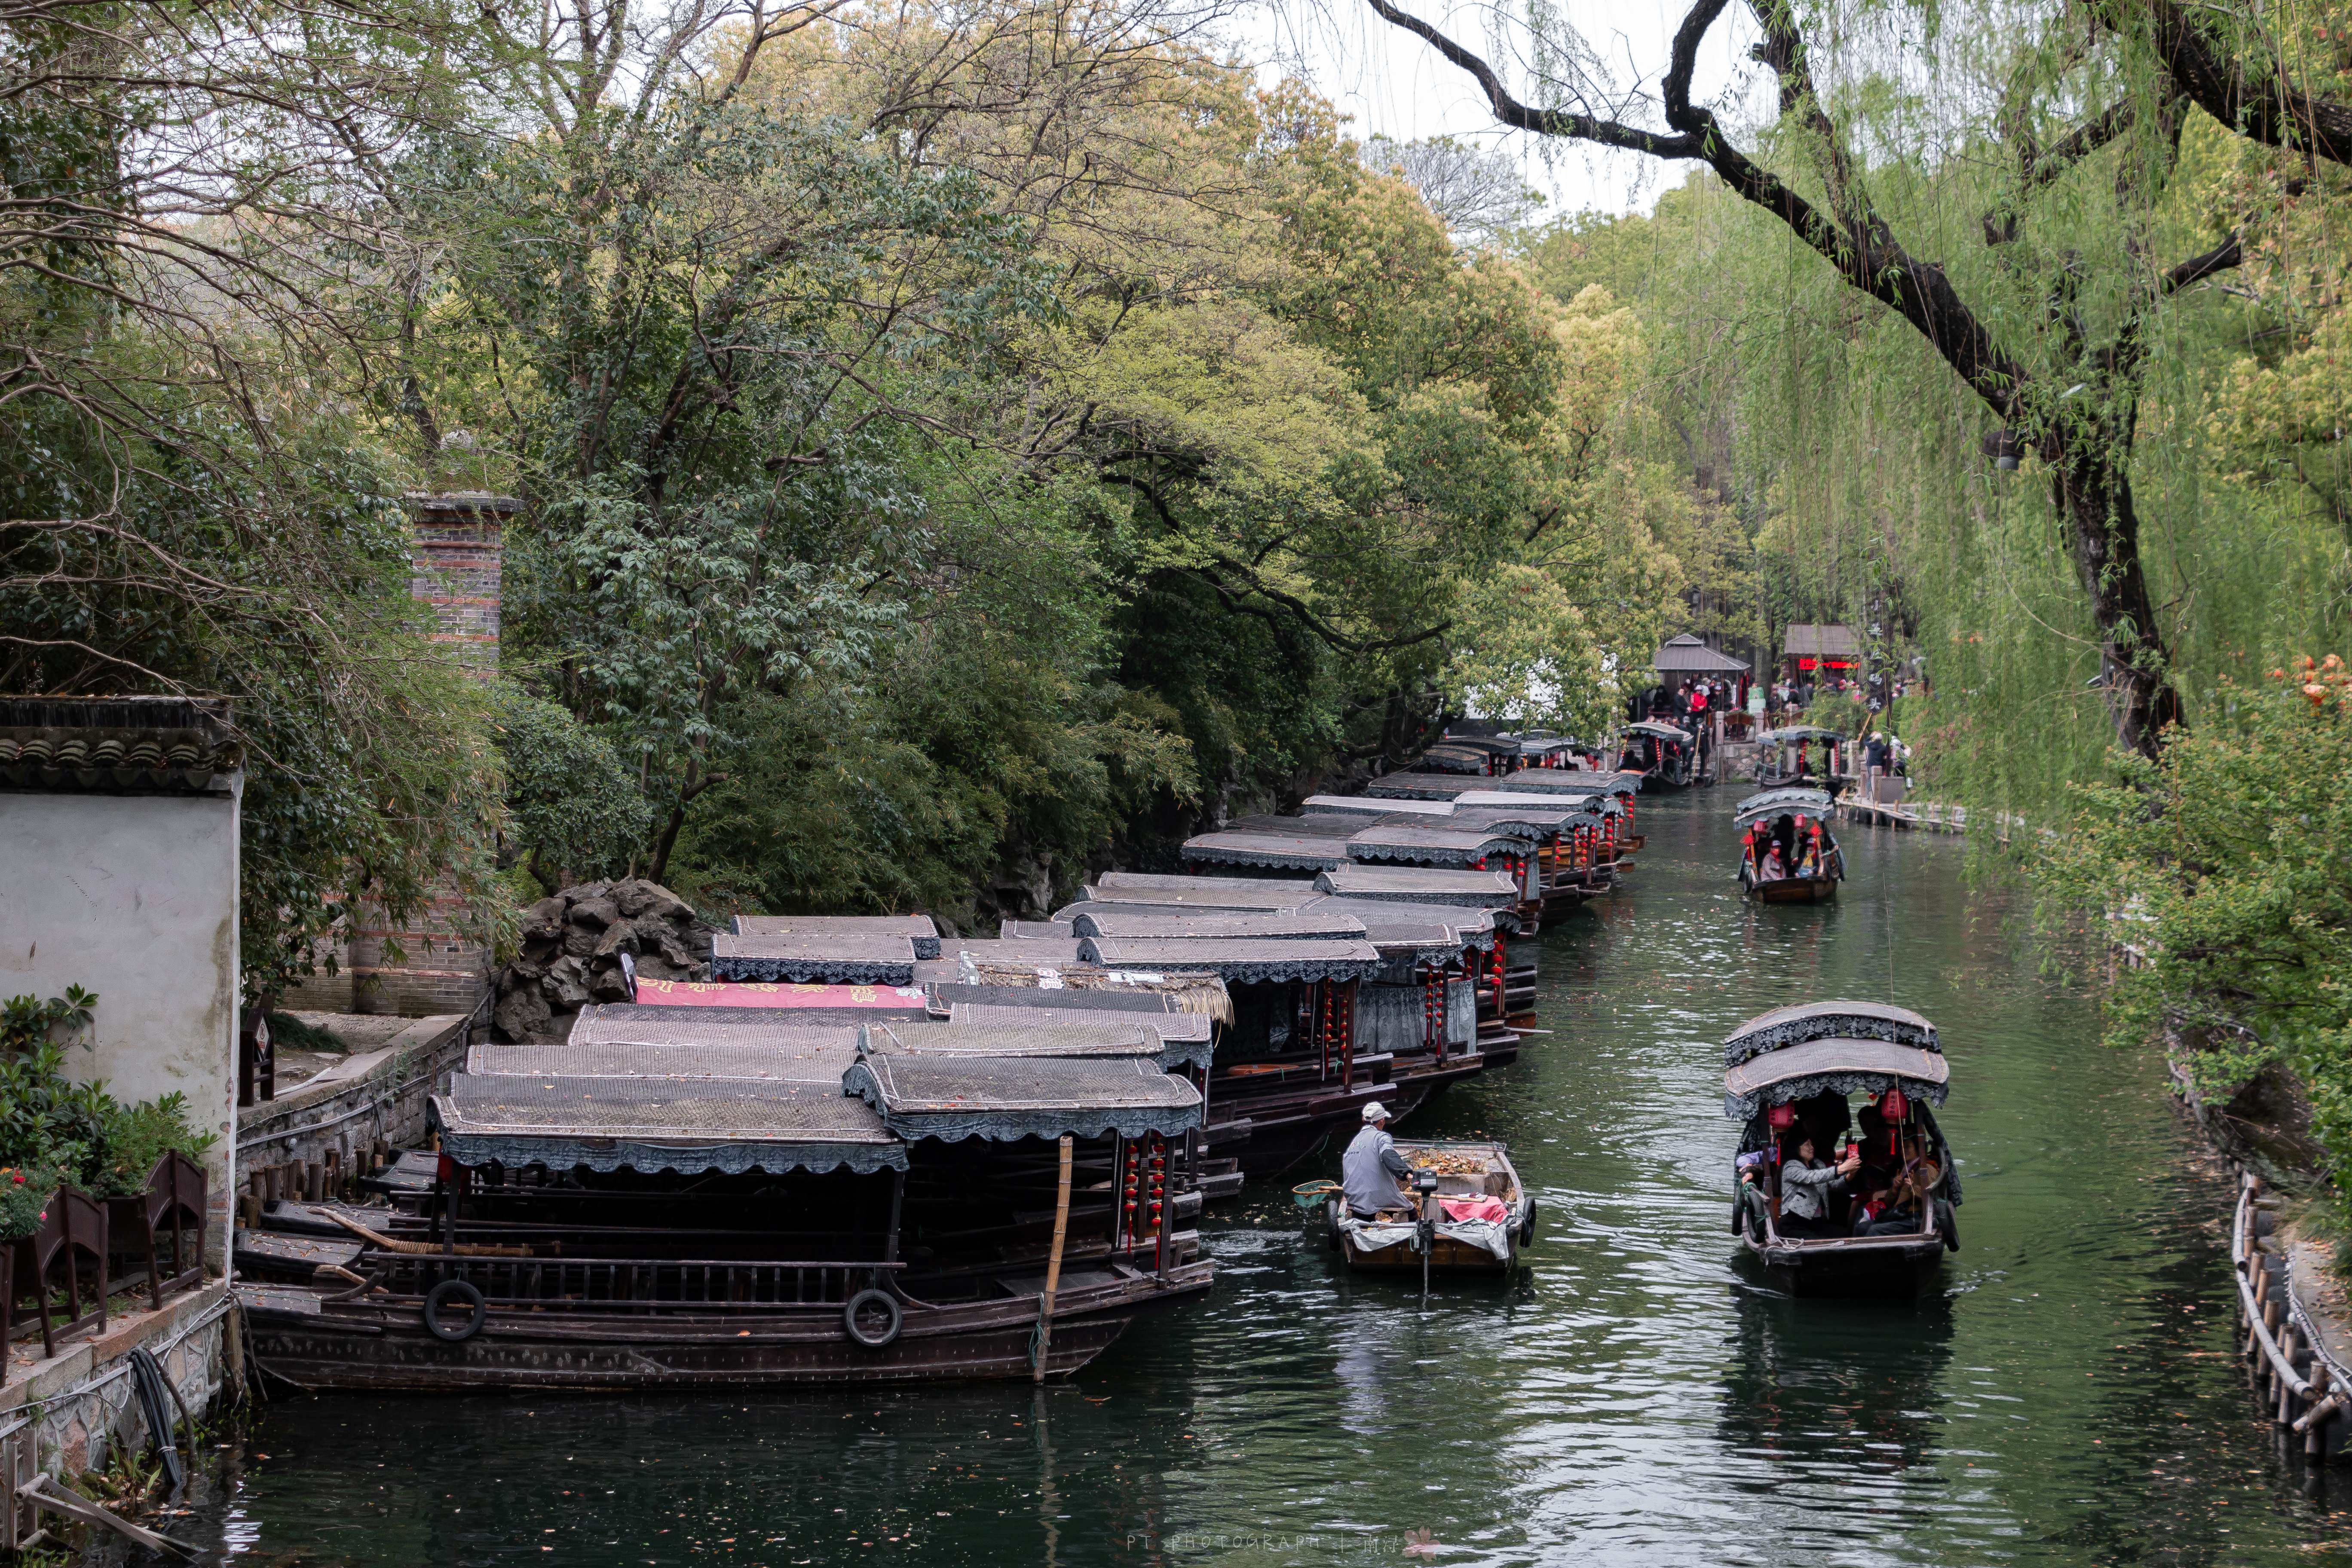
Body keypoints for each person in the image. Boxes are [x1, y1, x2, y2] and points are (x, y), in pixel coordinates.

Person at [1773, 1136, 1860, 1237]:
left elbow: (1834, 1183)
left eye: (1812, 1144)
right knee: (1817, 1240)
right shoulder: (1790, 1167)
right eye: (1807, 1145)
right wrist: (1842, 1168)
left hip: (1816, 1223)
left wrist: (1851, 1175)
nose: (1812, 1148)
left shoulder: (1818, 1164)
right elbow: (1812, 1177)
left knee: (1845, 1234)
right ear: (1796, 1148)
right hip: (1794, 1224)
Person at [1341, 1102, 1413, 1219]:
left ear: (1363, 1119)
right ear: (1382, 1121)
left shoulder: (1354, 1142)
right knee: (1411, 1211)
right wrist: (1406, 1173)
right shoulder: (1382, 1137)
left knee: (1364, 1216)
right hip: (1378, 1194)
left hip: (1353, 1196)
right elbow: (1388, 1155)